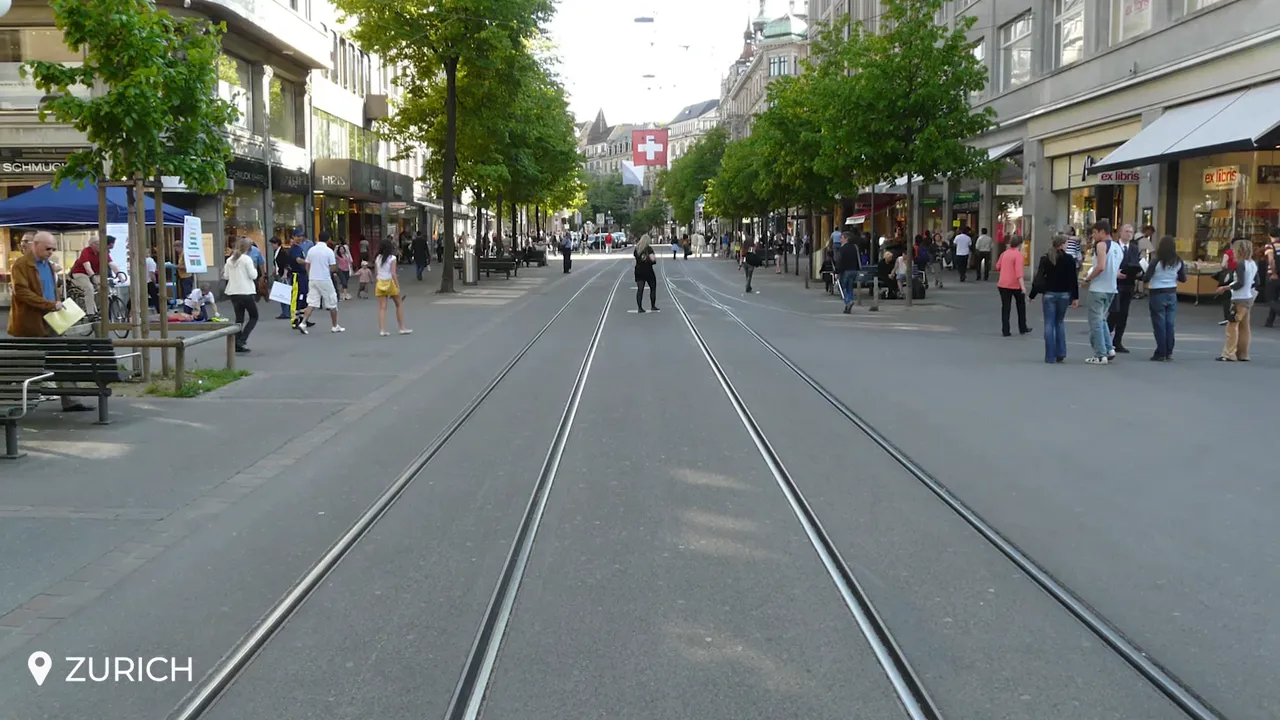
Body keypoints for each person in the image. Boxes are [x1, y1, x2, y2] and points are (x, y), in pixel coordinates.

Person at [8, 232, 91, 411]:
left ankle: (72, 401)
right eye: (48, 248)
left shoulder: (48, 265)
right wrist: (50, 304)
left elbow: (50, 288)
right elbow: (22, 292)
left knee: (62, 359)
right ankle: (18, 402)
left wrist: (57, 303)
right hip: (30, 323)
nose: (51, 252)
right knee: (27, 365)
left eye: (53, 249)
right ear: (35, 245)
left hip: (51, 320)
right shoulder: (22, 265)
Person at [1029, 235, 1078, 363]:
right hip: (1064, 294)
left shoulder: (1045, 259)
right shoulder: (1069, 259)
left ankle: (1050, 356)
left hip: (1049, 294)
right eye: (1066, 243)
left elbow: (1039, 278)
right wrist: (1075, 297)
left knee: (1049, 324)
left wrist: (1032, 295)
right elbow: (1073, 279)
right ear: (1062, 244)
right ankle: (1061, 352)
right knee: (1060, 322)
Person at [1081, 220, 1123, 364]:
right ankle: (1109, 348)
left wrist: (1087, 279)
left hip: (1098, 288)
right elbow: (1113, 268)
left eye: (1094, 232)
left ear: (1102, 232)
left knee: (1095, 322)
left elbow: (1100, 266)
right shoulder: (1118, 247)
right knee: (1102, 319)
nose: (1093, 235)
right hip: (1111, 288)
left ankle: (1100, 354)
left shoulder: (1101, 245)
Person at [1143, 236, 1186, 361]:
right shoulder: (1178, 261)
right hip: (1172, 292)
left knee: (1159, 323)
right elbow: (1183, 278)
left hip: (1157, 292)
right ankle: (1169, 351)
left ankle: (1161, 351)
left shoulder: (1156, 261)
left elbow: (1146, 277)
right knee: (1170, 323)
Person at [1216, 238, 1257, 362]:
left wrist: (1225, 287)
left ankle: (1229, 353)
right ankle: (1243, 353)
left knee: (1232, 325)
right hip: (1248, 296)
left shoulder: (1240, 264)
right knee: (1245, 326)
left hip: (1239, 297)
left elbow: (1240, 282)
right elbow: (1256, 282)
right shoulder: (1252, 264)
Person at [296, 233, 343, 334]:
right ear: (328, 239)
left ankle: (303, 323)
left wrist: (310, 275)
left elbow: (307, 265)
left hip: (313, 279)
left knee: (312, 302)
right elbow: (333, 267)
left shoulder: (311, 250)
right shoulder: (328, 251)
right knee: (332, 301)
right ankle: (335, 325)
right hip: (324, 279)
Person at [222, 237, 259, 353]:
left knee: (239, 318)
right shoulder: (246, 259)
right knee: (254, 316)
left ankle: (237, 342)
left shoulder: (230, 260)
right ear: (248, 248)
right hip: (246, 291)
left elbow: (226, 276)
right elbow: (253, 275)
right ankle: (242, 340)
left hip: (233, 291)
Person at [374, 238, 412, 336]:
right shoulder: (392, 258)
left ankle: (382, 330)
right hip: (390, 282)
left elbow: (376, 273)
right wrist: (397, 287)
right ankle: (401, 327)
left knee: (382, 307)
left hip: (380, 282)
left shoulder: (377, 258)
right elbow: (393, 273)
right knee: (398, 304)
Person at [996, 235, 1032, 337]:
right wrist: (1023, 287)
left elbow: (998, 266)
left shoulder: (1004, 253)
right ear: (1020, 244)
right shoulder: (1018, 255)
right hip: (1015, 285)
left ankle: (1005, 330)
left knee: (1005, 307)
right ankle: (1022, 327)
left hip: (1003, 284)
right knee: (1021, 306)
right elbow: (1019, 273)